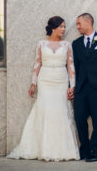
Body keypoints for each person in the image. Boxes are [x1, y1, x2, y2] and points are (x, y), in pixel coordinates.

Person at [7, 16, 79, 161]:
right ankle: (41, 148)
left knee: (60, 111)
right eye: (62, 26)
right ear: (53, 27)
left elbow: (71, 67)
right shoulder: (41, 44)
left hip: (61, 79)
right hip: (45, 80)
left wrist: (73, 86)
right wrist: (33, 83)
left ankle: (62, 150)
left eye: (65, 27)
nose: (64, 29)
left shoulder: (67, 45)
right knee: (44, 110)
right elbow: (37, 63)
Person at [70, 13, 97, 162]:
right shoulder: (75, 44)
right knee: (80, 119)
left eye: (78, 23)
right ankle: (85, 150)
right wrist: (72, 86)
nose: (77, 27)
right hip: (81, 89)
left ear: (88, 22)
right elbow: (73, 67)